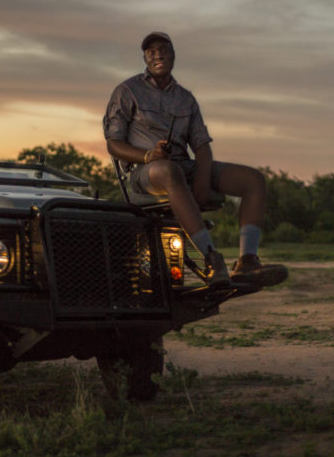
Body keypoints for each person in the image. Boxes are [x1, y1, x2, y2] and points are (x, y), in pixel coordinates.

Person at [104, 32, 286, 287]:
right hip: (145, 172)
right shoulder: (127, 91)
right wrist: (148, 155)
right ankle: (211, 259)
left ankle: (247, 261)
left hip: (182, 167)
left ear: (173, 55)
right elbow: (113, 144)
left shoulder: (185, 98)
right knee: (169, 170)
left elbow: (202, 147)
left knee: (253, 180)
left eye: (163, 49)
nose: (157, 55)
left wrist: (202, 180)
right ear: (145, 58)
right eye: (151, 52)